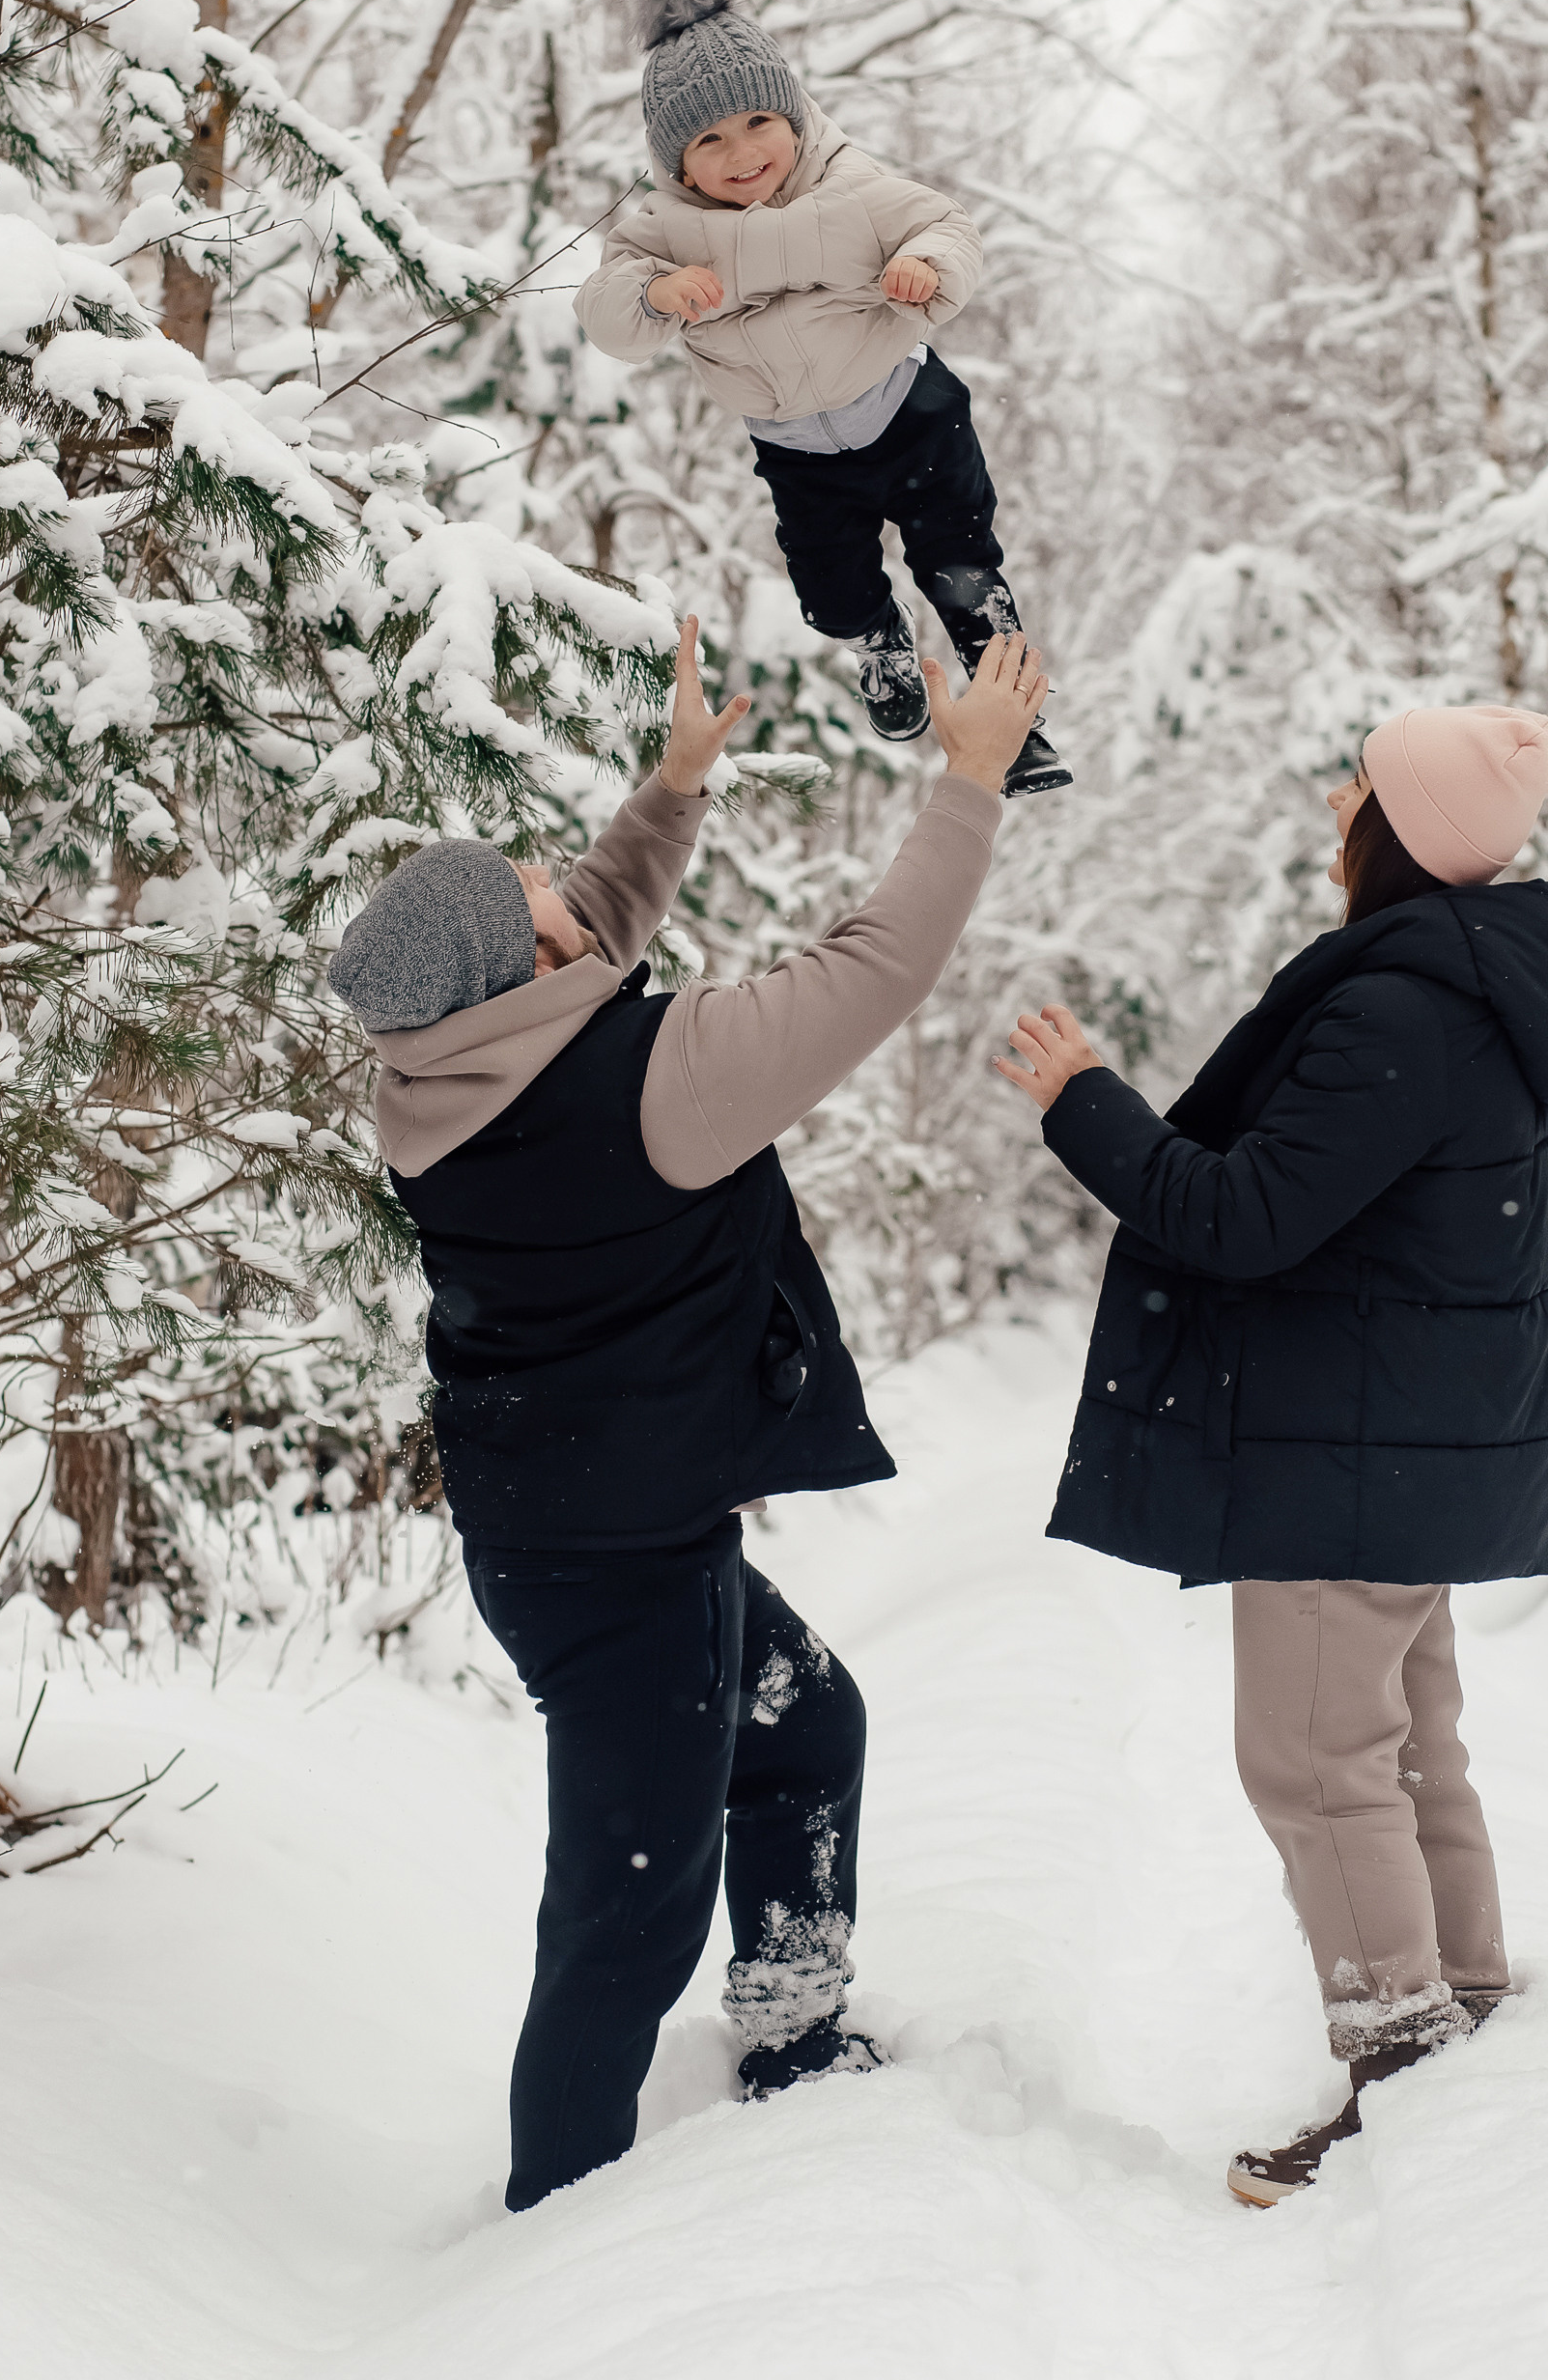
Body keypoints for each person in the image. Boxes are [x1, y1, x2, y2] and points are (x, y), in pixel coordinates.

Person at [328, 615, 1049, 2210]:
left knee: (807, 1726)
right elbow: (875, 971)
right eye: (526, 892)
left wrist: (672, 788)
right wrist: (971, 782)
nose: (557, 887)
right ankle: (557, 2240)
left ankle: (793, 2044)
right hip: (623, 1566)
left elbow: (589, 923)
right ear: (516, 966)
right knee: (621, 1916)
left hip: (575, 1530)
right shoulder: (656, 1086)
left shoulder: (435, 1083)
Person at [994, 704, 1548, 2205]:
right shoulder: (1477, 988)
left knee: (1312, 1756)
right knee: (1407, 1745)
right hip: (1407, 1436)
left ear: (1392, 827)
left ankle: (1404, 2067)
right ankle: (1459, 2009)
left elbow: (1243, 1216)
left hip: (1357, 1450)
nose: (1336, 796)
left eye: (1360, 781)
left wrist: (1083, 1102)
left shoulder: (1403, 1007)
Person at [572, 0, 1070, 798]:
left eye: (760, 122)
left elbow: (947, 225)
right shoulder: (660, 231)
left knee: (965, 575)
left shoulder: (849, 185)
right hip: (799, 453)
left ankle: (1014, 725)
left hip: (909, 411)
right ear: (673, 160)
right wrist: (656, 293)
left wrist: (927, 268)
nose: (741, 153)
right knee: (832, 596)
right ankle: (880, 640)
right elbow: (604, 314)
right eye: (710, 140)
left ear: (794, 117)